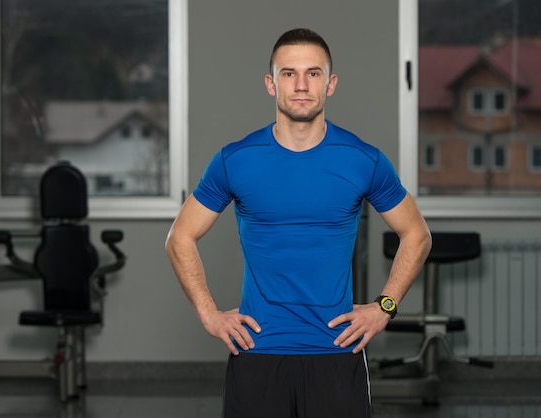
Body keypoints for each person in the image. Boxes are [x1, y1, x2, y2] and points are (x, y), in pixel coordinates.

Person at [165, 28, 432, 418]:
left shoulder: (362, 159)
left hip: (337, 352)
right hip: (258, 354)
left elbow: (417, 235)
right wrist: (209, 313)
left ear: (331, 83)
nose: (302, 85)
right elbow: (180, 237)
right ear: (271, 84)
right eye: (289, 73)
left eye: (314, 73)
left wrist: (384, 307)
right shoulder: (235, 159)